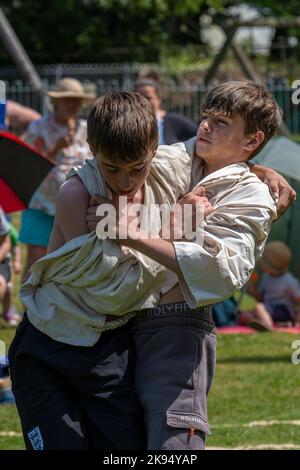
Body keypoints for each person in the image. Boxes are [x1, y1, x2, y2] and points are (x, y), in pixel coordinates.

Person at [10, 88, 294, 450]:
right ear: (95, 154)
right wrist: (170, 228)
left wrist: (256, 168)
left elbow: (220, 270)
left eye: (220, 123)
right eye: (112, 168)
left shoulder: (216, 184)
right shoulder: (86, 190)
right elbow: (108, 288)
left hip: (145, 336)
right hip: (54, 342)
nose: (125, 181)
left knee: (164, 447)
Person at [19, 78, 94, 279]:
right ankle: (30, 307)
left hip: (77, 205)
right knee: (36, 260)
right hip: (42, 203)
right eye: (67, 100)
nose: (72, 105)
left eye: (76, 100)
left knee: (73, 260)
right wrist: (56, 148)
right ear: (55, 102)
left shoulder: (86, 129)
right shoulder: (38, 127)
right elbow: (27, 165)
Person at [246, 241, 300, 330]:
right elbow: (261, 298)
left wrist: (298, 320)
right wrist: (253, 289)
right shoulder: (266, 277)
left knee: (259, 307)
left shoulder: (289, 280)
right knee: (247, 314)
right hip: (270, 309)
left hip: (284, 310)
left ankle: (267, 325)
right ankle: (281, 324)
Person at [135, 77, 198, 144]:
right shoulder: (130, 124)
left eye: (148, 98)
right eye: (139, 98)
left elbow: (198, 135)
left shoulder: (175, 121)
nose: (143, 102)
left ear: (159, 98)